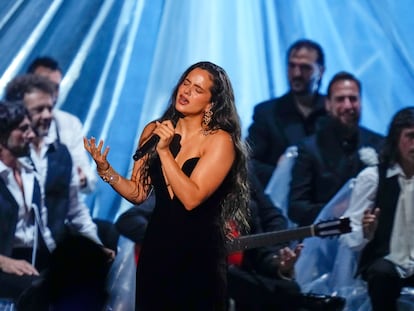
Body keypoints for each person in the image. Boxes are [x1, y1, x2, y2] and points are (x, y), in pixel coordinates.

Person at [84, 61, 251, 311]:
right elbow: (139, 193)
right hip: (157, 247)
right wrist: (106, 171)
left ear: (211, 104)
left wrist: (164, 152)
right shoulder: (154, 130)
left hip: (199, 255)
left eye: (197, 89)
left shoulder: (219, 141)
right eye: (186, 83)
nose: (186, 92)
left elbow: (191, 198)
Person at [4, 74, 114, 258]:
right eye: (39, 109)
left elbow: (76, 209)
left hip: (50, 249)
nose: (48, 115)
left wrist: (96, 247)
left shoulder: (61, 153)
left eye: (50, 108)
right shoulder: (10, 156)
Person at [340, 107, 414, 311]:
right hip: (385, 261)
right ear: (396, 139)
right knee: (382, 273)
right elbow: (347, 232)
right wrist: (365, 232)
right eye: (410, 136)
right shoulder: (373, 178)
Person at [288, 71, 383, 227]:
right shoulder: (309, 148)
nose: (348, 106)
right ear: (328, 104)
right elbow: (296, 207)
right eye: (340, 99)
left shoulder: (379, 143)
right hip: (325, 239)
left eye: (353, 99)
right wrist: (332, 210)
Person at [246, 39, 327, 189]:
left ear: (321, 71)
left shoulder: (332, 112)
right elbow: (248, 163)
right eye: (292, 66)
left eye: (305, 68)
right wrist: (282, 174)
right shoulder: (267, 113)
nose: (296, 73)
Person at [27, 56, 97, 194]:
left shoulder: (69, 123)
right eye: (44, 85)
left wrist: (80, 178)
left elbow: (88, 180)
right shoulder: (7, 122)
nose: (51, 92)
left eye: (55, 87)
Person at [0, 100, 42, 301]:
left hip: (29, 255)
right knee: (36, 290)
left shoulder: (29, 173)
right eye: (23, 129)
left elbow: (45, 224)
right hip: (4, 262)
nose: (32, 135)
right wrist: (2, 261)